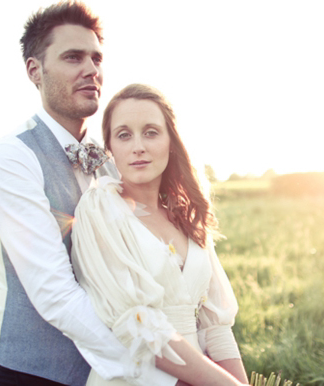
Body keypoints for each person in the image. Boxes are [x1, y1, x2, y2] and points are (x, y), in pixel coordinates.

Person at [0, 3, 179, 385]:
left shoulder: (112, 157)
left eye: (96, 58)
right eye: (73, 57)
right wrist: (158, 369)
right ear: (35, 70)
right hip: (32, 374)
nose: (92, 69)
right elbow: (54, 294)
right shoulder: (11, 160)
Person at [71, 83, 250, 386]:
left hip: (201, 377)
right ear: (110, 148)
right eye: (124, 135)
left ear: (171, 142)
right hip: (137, 376)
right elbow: (135, 324)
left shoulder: (187, 215)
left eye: (151, 132)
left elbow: (216, 325)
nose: (138, 146)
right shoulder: (98, 208)